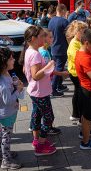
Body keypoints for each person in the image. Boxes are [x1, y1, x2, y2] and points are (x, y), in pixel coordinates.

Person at [0, 48, 24, 169]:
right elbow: (8, 100)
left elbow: (12, 91)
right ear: (3, 62)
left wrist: (17, 85)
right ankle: (6, 160)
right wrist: (18, 89)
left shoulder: (6, 74)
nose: (14, 59)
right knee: (6, 137)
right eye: (11, 58)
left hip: (8, 112)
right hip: (6, 113)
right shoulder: (1, 83)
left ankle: (2, 153)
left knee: (4, 134)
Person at [23, 25, 57, 156]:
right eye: (42, 36)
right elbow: (36, 75)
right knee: (49, 118)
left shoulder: (29, 51)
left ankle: (36, 140)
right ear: (33, 38)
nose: (44, 38)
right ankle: (41, 145)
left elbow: (28, 72)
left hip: (35, 91)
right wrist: (48, 66)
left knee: (37, 115)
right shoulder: (36, 54)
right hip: (40, 92)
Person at [66, 21, 88, 122]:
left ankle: (76, 114)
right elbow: (78, 59)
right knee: (80, 95)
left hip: (76, 72)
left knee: (77, 93)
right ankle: (80, 118)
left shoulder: (78, 42)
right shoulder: (74, 43)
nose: (84, 35)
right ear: (76, 32)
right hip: (76, 73)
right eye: (83, 32)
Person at [48, 4, 69, 97]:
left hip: (54, 47)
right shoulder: (64, 21)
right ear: (63, 10)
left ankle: (59, 85)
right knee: (59, 68)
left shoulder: (51, 20)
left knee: (57, 67)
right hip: (62, 48)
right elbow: (68, 35)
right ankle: (53, 89)